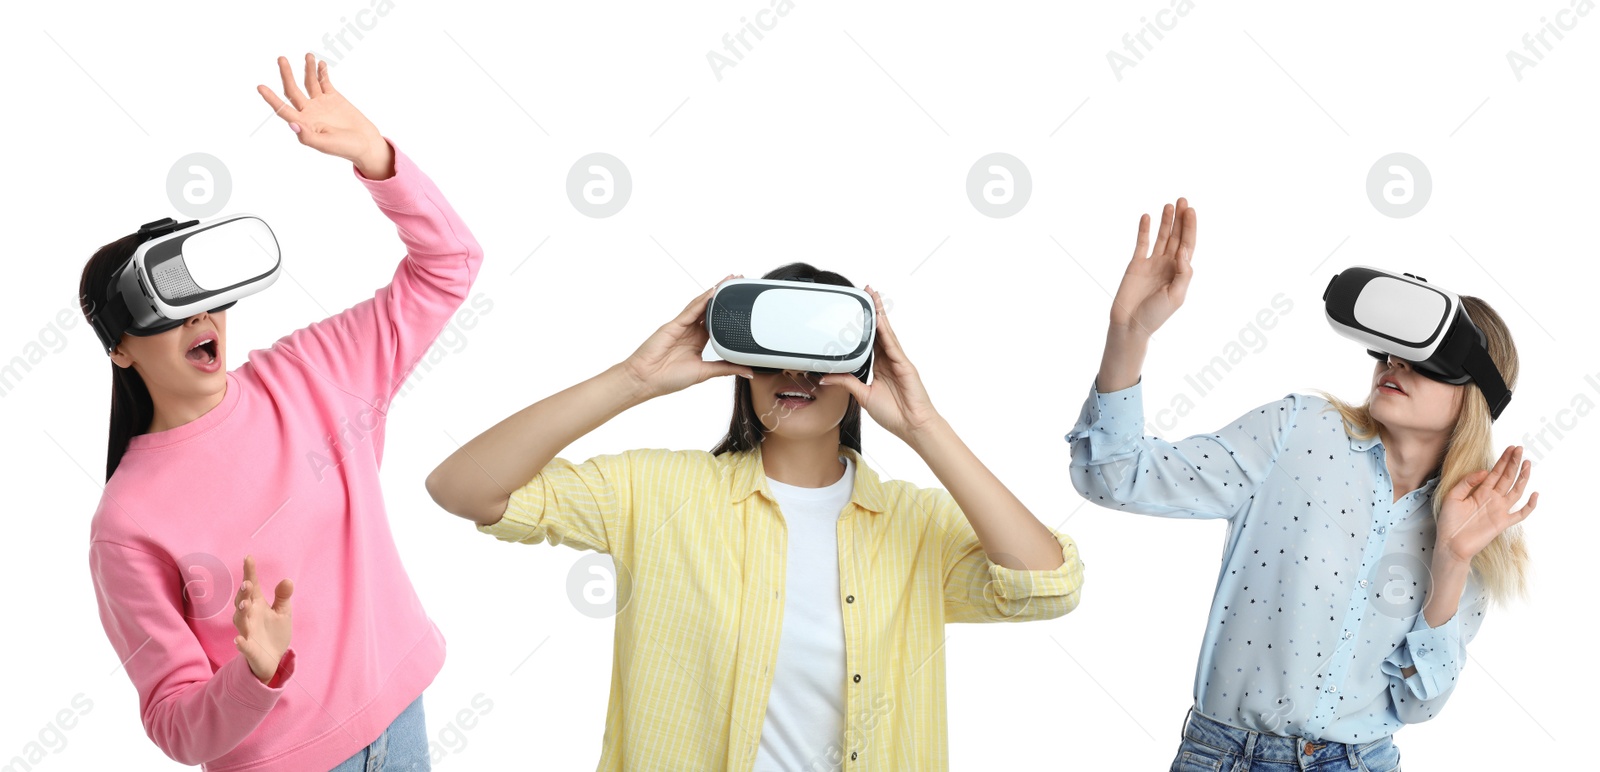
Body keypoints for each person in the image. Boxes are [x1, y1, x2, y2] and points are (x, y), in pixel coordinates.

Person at [426, 263, 1087, 770]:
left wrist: (923, 424)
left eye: (820, 351)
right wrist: (634, 378)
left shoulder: (913, 527)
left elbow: (1049, 584)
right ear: (741, 361)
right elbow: (463, 488)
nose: (792, 371)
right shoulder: (656, 491)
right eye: (771, 349)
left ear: (859, 366)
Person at [81, 54, 483, 771]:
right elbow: (174, 723)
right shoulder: (126, 523)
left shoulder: (313, 375)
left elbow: (449, 265)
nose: (197, 317)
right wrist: (252, 675)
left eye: (202, 293)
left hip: (405, 723)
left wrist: (376, 157)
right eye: (163, 306)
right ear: (121, 351)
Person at [1066, 198, 1536, 772]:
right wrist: (1130, 332)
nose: (1394, 362)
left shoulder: (1475, 525)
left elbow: (1418, 704)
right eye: (1388, 349)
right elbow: (1110, 474)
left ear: (1477, 391)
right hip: (1225, 756)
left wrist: (1453, 557)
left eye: (1425, 358)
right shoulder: (1296, 432)